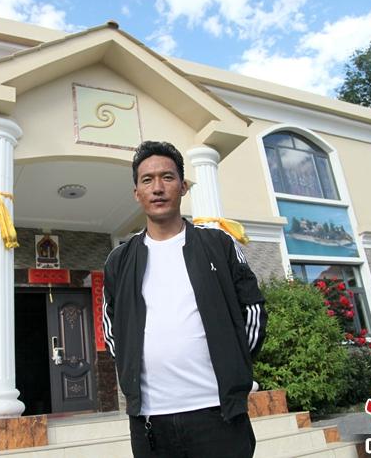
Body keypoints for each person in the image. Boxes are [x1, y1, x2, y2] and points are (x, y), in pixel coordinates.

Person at [103, 140, 268, 457]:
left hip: (218, 414)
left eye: (167, 177)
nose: (158, 188)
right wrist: (128, 365)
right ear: (137, 193)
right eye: (147, 180)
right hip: (150, 420)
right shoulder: (119, 260)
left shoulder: (218, 245)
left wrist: (234, 361)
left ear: (183, 186)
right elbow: (111, 326)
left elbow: (253, 309)